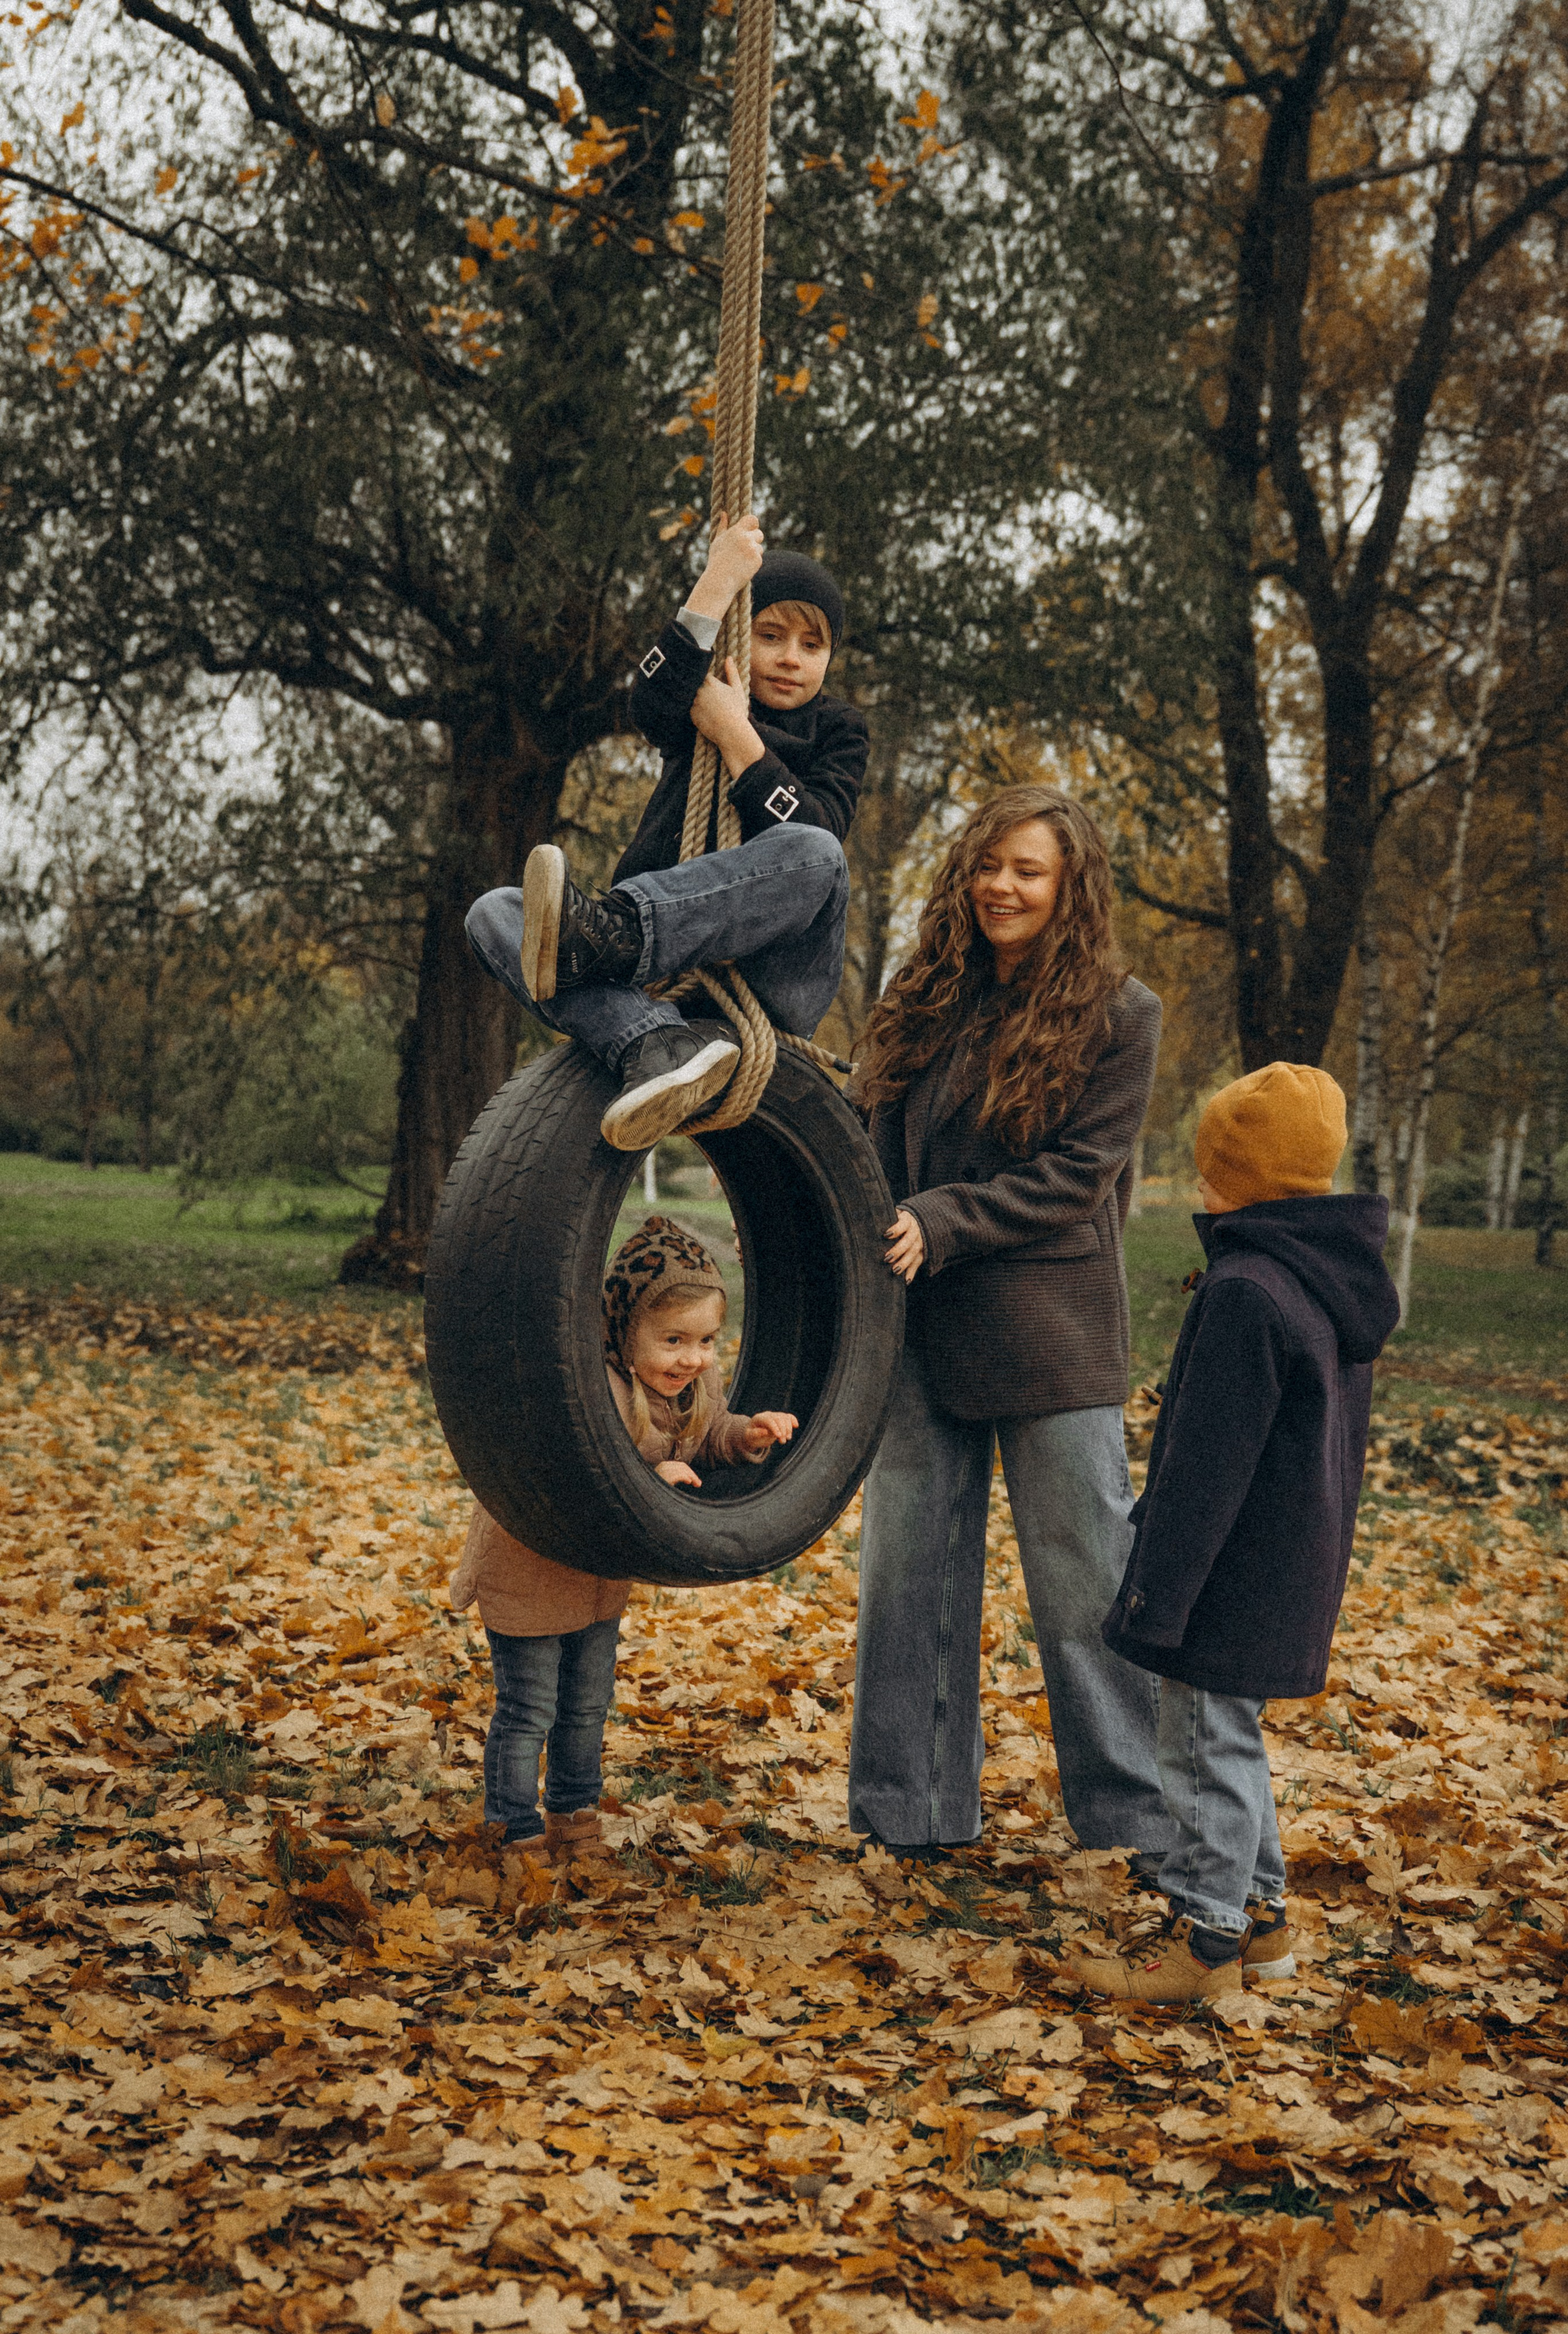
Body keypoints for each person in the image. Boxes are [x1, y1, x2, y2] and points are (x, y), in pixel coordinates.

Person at [848, 784, 1172, 1867]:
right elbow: (864, 1135)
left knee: (1085, 1586)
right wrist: (826, 1223)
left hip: (1050, 1333)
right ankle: (910, 1814)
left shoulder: (1123, 1014)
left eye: (1028, 870)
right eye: (990, 865)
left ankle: (1131, 1823)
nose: (1002, 887)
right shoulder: (922, 992)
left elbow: (1080, 1178)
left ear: (1070, 885)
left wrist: (940, 1220)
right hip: (915, 1329)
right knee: (908, 1580)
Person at [1074, 1064, 1400, 2002]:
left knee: (1202, 1746)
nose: (1202, 1183)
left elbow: (1205, 1468)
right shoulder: (1327, 1281)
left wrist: (1157, 1589)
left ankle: (1207, 1940)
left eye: (1212, 1164)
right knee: (1232, 1739)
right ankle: (1261, 1918)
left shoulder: (1248, 1290)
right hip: (1287, 1564)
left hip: (1227, 1569)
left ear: (1241, 1177)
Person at [466, 515, 869, 1151]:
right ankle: (651, 1041)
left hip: (772, 980)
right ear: (745, 637)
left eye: (812, 646)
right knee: (492, 913)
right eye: (771, 635)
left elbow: (817, 831)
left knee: (816, 853)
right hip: (657, 985)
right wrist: (716, 583)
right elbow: (649, 701)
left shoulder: (839, 728)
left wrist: (736, 735)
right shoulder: (703, 691)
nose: (792, 658)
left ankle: (619, 935)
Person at [448, 1215, 796, 1860]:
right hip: (530, 1565)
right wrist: (646, 1476)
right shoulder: (588, 1389)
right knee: (529, 1709)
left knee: (585, 1706)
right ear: (622, 1329)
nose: (691, 1357)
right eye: (671, 1339)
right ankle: (512, 1829)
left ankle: (574, 1819)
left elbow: (707, 1435)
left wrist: (746, 1435)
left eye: (706, 1340)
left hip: (600, 1577)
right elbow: (576, 1469)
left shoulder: (692, 1384)